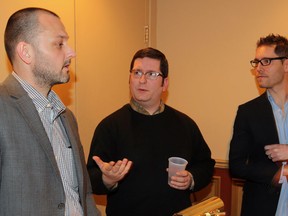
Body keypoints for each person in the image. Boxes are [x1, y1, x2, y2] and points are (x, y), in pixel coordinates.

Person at [87, 47, 215, 216]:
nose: (142, 80)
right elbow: (90, 177)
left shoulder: (185, 124)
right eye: (137, 72)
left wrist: (191, 179)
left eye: (152, 74)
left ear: (165, 84)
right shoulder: (110, 126)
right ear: (129, 78)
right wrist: (107, 179)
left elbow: (206, 164)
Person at [0, 7, 100, 216]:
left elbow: (84, 193)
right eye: (59, 44)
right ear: (26, 52)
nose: (71, 52)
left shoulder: (67, 118)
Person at [229, 34, 288, 215]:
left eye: (266, 61)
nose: (258, 69)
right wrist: (276, 175)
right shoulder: (248, 112)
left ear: (286, 64)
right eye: (256, 62)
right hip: (263, 207)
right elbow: (236, 165)